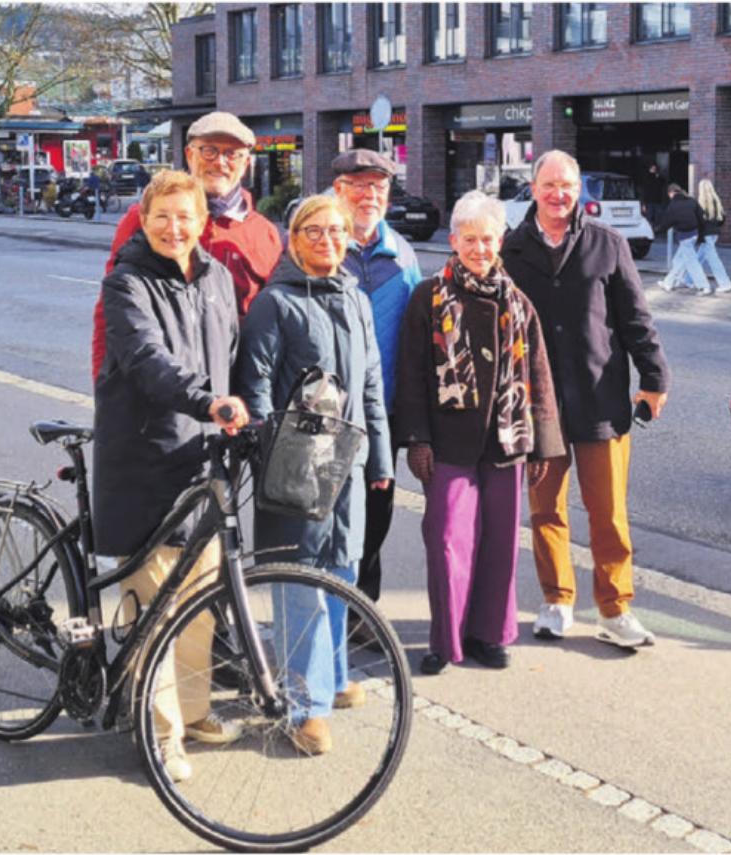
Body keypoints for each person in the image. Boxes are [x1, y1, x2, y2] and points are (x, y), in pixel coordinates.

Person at [95, 169, 251, 785]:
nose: (174, 227)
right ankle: (159, 734)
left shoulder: (215, 279)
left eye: (185, 216)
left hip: (202, 459)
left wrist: (243, 407)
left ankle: (193, 711)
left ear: (203, 222)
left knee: (201, 600)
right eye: (162, 215)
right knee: (155, 609)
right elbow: (145, 359)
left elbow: (232, 355)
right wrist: (208, 401)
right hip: (145, 460)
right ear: (144, 219)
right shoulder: (126, 281)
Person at [235, 195, 392, 756]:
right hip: (296, 463)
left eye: (337, 231)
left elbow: (371, 383)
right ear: (294, 238)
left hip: (347, 462)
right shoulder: (274, 303)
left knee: (341, 571)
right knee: (299, 580)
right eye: (314, 231)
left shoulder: (355, 297)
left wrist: (380, 458)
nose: (327, 241)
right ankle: (305, 707)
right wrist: (269, 456)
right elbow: (254, 387)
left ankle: (334, 677)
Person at [499, 150, 669, 650]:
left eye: (568, 186)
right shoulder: (511, 249)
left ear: (579, 191)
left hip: (600, 398)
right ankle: (557, 600)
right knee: (546, 510)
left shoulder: (607, 244)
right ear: (533, 189)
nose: (559, 195)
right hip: (539, 405)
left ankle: (615, 608)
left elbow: (636, 318)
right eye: (549, 185)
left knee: (608, 510)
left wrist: (654, 376)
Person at [395, 190, 564, 675]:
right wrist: (418, 439)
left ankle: (488, 634)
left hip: (505, 442)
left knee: (499, 542)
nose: (479, 249)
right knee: (447, 539)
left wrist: (542, 447)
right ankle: (446, 639)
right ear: (453, 241)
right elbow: (412, 373)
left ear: (500, 242)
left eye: (487, 239)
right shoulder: (428, 297)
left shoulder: (518, 302)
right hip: (449, 443)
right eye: (469, 239)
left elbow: (539, 376)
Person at [93, 112, 281, 380]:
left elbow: (272, 325)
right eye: (209, 150)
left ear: (246, 163)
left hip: (235, 389)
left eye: (232, 154)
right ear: (190, 155)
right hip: (161, 386)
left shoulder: (265, 234)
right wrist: (103, 385)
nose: (220, 162)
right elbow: (110, 313)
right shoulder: (146, 219)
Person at [329, 149, 423, 608]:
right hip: (328, 414)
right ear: (339, 190)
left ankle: (363, 610)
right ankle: (327, 606)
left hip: (382, 412)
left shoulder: (403, 256)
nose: (369, 195)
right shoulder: (321, 244)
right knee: (327, 514)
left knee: (376, 510)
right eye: (359, 186)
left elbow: (419, 336)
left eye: (378, 187)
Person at [652, 183, 712, 294]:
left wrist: (655, 231)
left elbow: (667, 223)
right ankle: (668, 283)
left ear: (671, 193)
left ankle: (704, 286)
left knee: (691, 262)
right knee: (678, 260)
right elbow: (701, 217)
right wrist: (701, 236)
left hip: (685, 237)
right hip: (694, 234)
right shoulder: (692, 201)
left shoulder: (673, 205)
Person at [694, 178, 731, 294]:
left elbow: (699, 222)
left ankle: (725, 283)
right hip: (714, 233)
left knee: (713, 260)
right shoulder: (717, 202)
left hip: (706, 235)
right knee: (698, 258)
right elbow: (722, 218)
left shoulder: (701, 204)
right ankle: (689, 279)